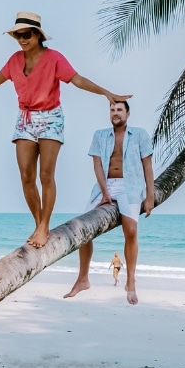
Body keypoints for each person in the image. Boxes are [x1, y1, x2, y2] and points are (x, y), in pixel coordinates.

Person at [0, 11, 131, 249]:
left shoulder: (54, 58)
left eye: (26, 34)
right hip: (25, 119)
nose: (22, 39)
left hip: (51, 118)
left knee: (45, 176)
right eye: (17, 35)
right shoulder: (15, 60)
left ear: (38, 35)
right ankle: (39, 223)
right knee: (26, 177)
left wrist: (106, 93)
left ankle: (45, 226)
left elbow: (77, 79)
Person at [64, 100, 154, 305]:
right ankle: (83, 278)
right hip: (104, 185)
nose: (115, 113)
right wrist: (105, 192)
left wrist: (149, 197)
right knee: (84, 229)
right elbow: (97, 166)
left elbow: (147, 167)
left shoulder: (140, 135)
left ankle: (130, 281)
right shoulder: (100, 135)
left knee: (130, 231)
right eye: (112, 110)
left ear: (128, 114)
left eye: (119, 110)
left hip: (130, 186)